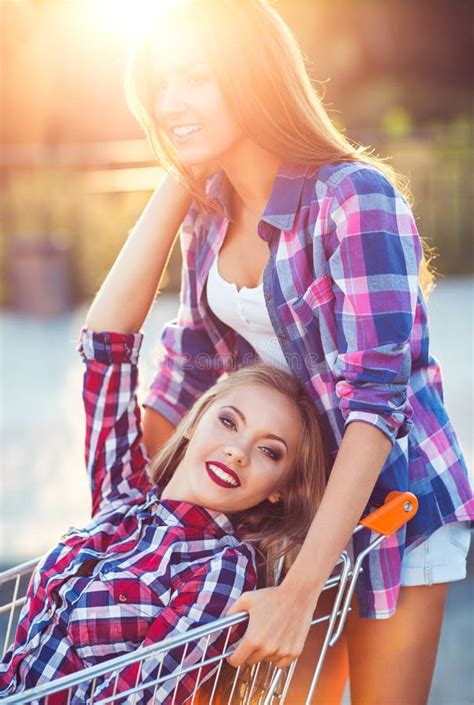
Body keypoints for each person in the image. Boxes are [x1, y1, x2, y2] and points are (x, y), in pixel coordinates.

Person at [123, 1, 474, 703]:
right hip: (288, 509)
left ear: (254, 76)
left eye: (195, 79)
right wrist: (131, 532)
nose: (170, 103)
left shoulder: (354, 197)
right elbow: (182, 378)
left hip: (389, 509)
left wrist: (303, 586)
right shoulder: (208, 211)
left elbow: (379, 405)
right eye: (160, 86)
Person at [0, 190, 328, 701]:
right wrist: (180, 177)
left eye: (269, 451)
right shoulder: (123, 499)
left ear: (279, 491)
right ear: (195, 422)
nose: (238, 450)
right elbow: (105, 348)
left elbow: (144, 695)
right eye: (228, 421)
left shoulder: (221, 566)